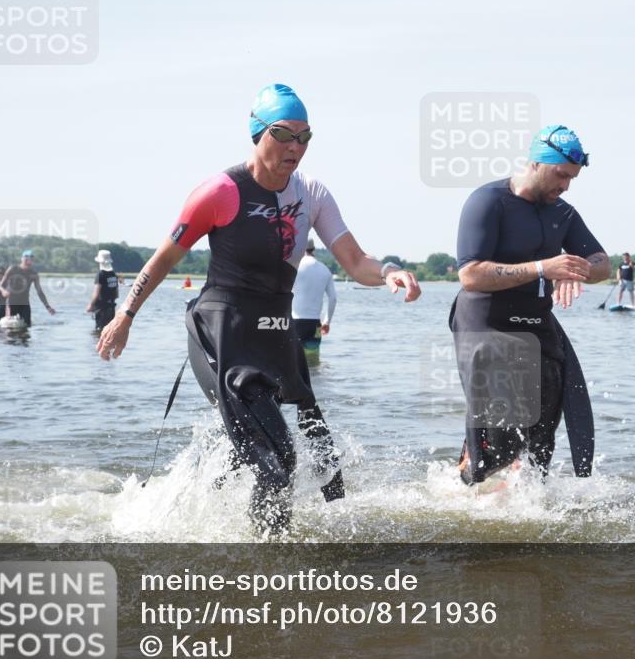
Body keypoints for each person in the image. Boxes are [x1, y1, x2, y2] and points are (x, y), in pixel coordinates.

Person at [95, 83, 421, 534]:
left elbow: (354, 260)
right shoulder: (219, 192)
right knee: (278, 458)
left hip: (275, 333)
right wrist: (125, 316)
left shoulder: (312, 193)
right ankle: (267, 555)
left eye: (304, 137)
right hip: (221, 333)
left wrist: (388, 271)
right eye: (283, 134)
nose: (295, 147)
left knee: (322, 454)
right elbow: (163, 259)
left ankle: (208, 501)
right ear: (257, 133)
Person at [451, 124, 611, 486]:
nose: (566, 185)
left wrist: (577, 269)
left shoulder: (562, 213)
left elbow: (603, 263)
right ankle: (465, 481)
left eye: (572, 178)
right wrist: (543, 268)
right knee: (501, 439)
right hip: (486, 323)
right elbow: (470, 274)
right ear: (536, 163)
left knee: (540, 433)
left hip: (536, 323)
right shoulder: (488, 201)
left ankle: (524, 502)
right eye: (561, 175)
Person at [292, 238, 337, 352]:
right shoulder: (325, 269)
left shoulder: (294, 267)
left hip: (295, 322)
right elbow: (333, 298)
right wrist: (327, 322)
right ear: (314, 250)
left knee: (293, 359)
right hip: (315, 323)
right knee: (313, 359)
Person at [0, 250, 56, 326]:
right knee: (9, 326)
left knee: (27, 326)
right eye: (26, 259)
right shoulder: (13, 269)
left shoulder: (34, 274)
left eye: (30, 259)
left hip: (25, 303)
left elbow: (39, 291)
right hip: (11, 302)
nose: (28, 261)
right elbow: (1, 285)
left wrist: (47, 306)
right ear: (22, 259)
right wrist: (3, 291)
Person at [86, 250, 119, 331]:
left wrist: (91, 305)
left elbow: (96, 293)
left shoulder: (100, 274)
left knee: (100, 330)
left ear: (100, 262)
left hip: (102, 308)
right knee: (109, 330)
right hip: (111, 307)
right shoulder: (113, 274)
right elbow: (117, 293)